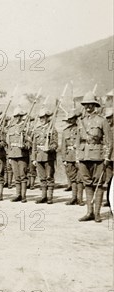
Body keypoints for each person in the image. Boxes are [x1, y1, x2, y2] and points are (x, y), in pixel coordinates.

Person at [76, 92, 112, 222]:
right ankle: (89, 212)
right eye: (86, 105)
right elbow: (77, 140)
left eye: (90, 104)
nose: (88, 107)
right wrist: (77, 157)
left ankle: (97, 213)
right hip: (83, 156)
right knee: (87, 184)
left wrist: (107, 158)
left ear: (95, 105)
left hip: (97, 156)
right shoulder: (81, 121)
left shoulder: (102, 120)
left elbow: (108, 141)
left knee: (98, 184)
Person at [32, 108, 58, 204]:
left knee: (49, 177)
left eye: (43, 117)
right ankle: (43, 196)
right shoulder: (37, 130)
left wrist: (50, 148)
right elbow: (34, 145)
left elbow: (55, 144)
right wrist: (33, 158)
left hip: (48, 156)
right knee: (42, 177)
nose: (42, 119)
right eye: (40, 118)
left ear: (47, 118)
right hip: (39, 156)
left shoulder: (52, 130)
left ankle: (50, 197)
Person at [6, 106, 30, 203]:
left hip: (22, 154)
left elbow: (29, 142)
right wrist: (9, 156)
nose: (16, 118)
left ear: (21, 117)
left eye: (18, 116)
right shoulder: (11, 128)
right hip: (13, 154)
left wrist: (24, 146)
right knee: (16, 176)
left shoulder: (25, 128)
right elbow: (8, 143)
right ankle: (18, 194)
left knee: (23, 175)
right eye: (15, 116)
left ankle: (23, 196)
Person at [61, 109, 81, 205]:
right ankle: (74, 198)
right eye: (69, 119)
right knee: (72, 178)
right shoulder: (65, 131)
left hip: (79, 156)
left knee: (80, 178)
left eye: (72, 119)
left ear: (76, 119)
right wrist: (64, 158)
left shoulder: (81, 129)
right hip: (69, 156)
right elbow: (63, 146)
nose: (70, 121)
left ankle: (80, 199)